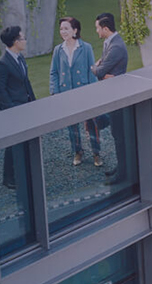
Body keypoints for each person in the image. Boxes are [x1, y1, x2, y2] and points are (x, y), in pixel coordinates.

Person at [50, 16, 101, 167]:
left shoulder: (86, 48)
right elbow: (54, 72)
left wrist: (93, 93)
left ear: (75, 30)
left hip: (84, 92)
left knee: (91, 123)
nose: (63, 32)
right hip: (67, 93)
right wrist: (56, 92)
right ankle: (77, 151)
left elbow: (91, 71)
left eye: (66, 28)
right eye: (61, 29)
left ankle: (96, 153)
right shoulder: (58, 50)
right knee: (72, 125)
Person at [0, 26, 36, 189]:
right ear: (15, 42)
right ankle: (9, 177)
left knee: (26, 140)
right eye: (23, 38)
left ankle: (23, 172)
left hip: (25, 106)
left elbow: (26, 82)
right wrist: (12, 110)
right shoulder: (2, 64)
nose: (25, 41)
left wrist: (33, 102)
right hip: (14, 109)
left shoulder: (20, 58)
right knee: (12, 144)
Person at [92, 13, 130, 186]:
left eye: (98, 28)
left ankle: (123, 172)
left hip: (119, 96)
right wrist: (102, 69)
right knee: (117, 134)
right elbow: (104, 71)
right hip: (114, 94)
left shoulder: (116, 47)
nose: (97, 31)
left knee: (120, 135)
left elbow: (99, 72)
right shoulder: (110, 43)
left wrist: (95, 67)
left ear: (106, 29)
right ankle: (121, 167)